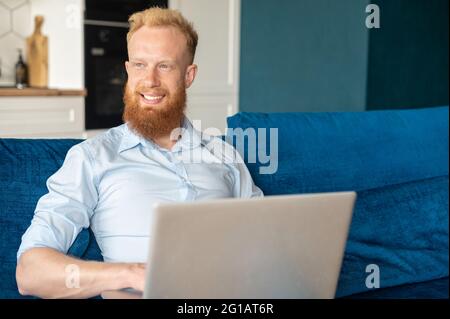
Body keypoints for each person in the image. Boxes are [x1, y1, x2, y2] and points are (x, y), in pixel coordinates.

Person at [16, 7, 263, 299]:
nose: (149, 80)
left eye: (165, 66)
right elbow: (30, 273)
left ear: (188, 75)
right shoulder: (92, 158)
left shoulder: (224, 155)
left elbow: (266, 242)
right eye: (139, 65)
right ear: (127, 69)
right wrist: (128, 274)